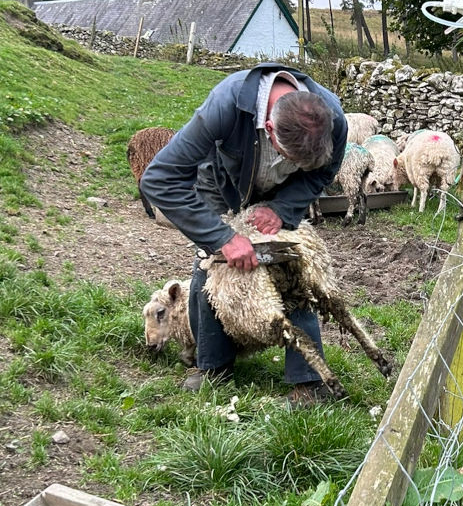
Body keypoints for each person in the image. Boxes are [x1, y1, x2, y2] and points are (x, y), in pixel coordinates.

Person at [140, 61, 347, 402]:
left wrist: (283, 207)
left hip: (281, 197)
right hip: (222, 188)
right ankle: (213, 367)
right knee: (211, 268)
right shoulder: (225, 104)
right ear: (268, 127)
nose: (292, 165)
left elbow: (323, 173)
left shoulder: (333, 118)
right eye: (288, 157)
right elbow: (159, 179)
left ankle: (310, 381)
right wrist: (221, 238)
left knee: (292, 267)